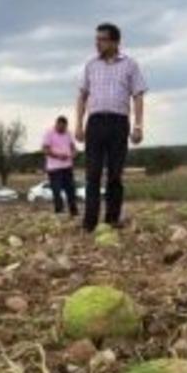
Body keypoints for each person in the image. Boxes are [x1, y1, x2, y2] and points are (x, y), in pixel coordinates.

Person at [75, 23, 147, 232]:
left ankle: (112, 219)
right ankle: (89, 222)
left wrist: (138, 126)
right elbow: (82, 96)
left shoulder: (130, 65)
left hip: (118, 123)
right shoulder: (90, 65)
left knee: (115, 174)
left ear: (115, 42)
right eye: (97, 39)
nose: (97, 43)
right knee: (93, 174)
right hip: (95, 123)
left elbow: (138, 96)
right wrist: (79, 125)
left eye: (102, 39)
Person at [42, 116, 79, 217]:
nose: (62, 129)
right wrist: (58, 156)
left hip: (67, 166)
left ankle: (74, 212)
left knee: (71, 190)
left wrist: (74, 154)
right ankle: (59, 212)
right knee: (56, 191)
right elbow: (45, 149)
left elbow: (73, 147)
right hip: (54, 168)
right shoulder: (49, 133)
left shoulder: (68, 133)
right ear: (57, 124)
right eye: (60, 127)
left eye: (64, 127)